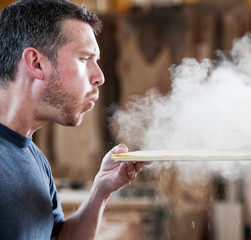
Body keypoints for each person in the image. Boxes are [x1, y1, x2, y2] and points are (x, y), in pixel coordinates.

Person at [0, 0, 148, 239]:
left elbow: (58, 237)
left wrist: (101, 188)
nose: (99, 77)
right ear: (37, 63)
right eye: (84, 59)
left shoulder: (34, 158)